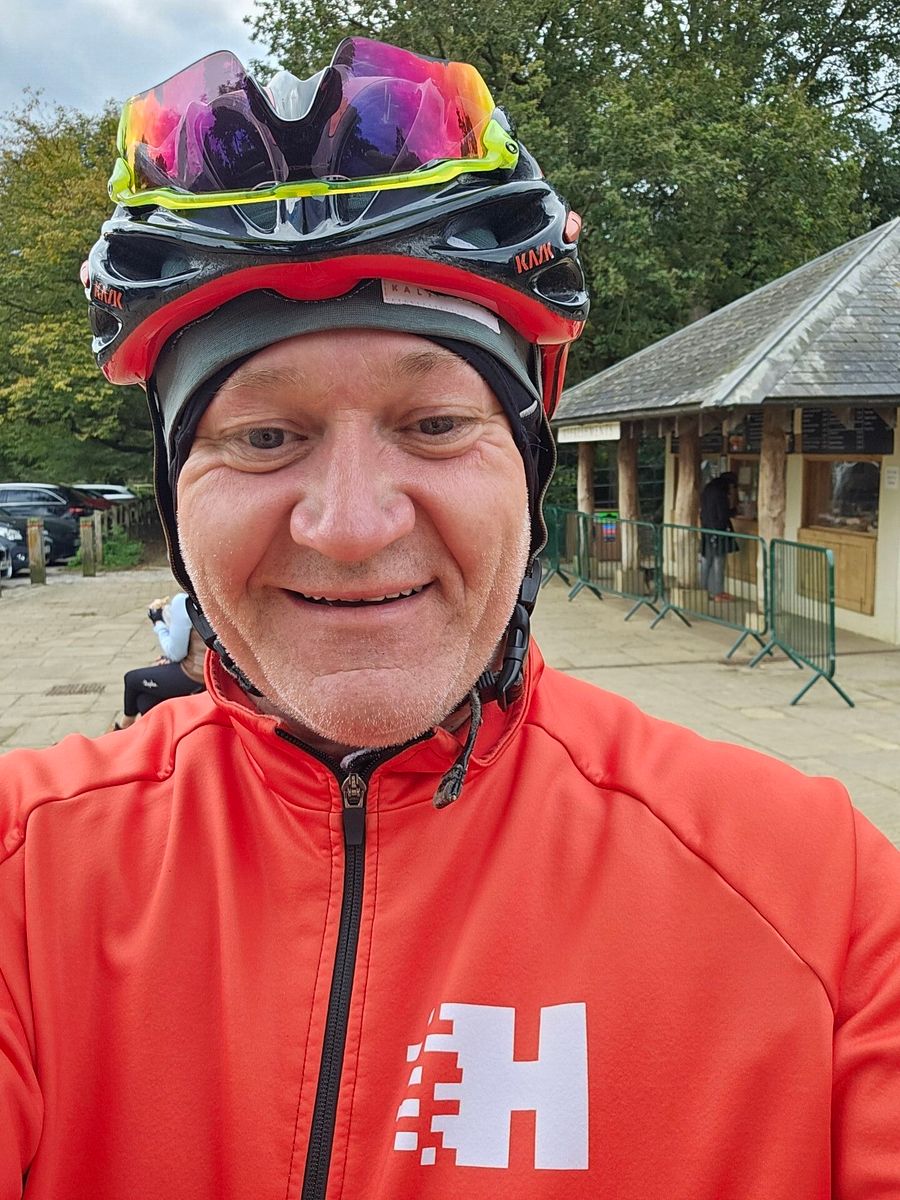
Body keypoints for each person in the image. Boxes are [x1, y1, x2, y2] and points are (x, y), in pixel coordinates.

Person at [1, 38, 898, 1200]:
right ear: (177, 491)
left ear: (529, 466)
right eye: (264, 436)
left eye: (433, 425)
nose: (350, 526)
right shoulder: (25, 878)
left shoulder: (823, 905)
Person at [117, 591, 206, 728]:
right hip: (213, 672)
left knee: (131, 680)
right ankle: (157, 734)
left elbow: (175, 653)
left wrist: (158, 622)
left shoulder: (184, 600)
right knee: (145, 701)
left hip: (195, 675)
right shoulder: (213, 597)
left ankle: (123, 728)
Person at [699, 470, 738, 601]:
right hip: (718, 531)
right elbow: (723, 514)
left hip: (706, 528)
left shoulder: (708, 488)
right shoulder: (720, 493)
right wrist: (734, 511)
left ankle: (702, 590)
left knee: (706, 561)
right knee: (719, 562)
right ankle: (718, 593)